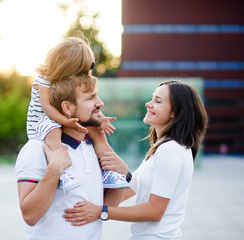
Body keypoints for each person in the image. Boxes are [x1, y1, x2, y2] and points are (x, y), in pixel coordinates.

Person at [63, 80, 208, 240]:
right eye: (152, 98)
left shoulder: (170, 150)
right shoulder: (163, 147)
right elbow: (127, 189)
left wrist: (101, 211)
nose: (148, 104)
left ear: (175, 112)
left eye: (157, 101)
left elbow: (154, 212)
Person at [16, 74, 126, 239]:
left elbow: (106, 205)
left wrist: (123, 174)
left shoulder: (93, 147)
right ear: (67, 108)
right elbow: (30, 216)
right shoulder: (37, 148)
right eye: (91, 98)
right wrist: (55, 169)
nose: (100, 103)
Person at [26, 36, 129, 191]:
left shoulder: (71, 82)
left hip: (61, 115)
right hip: (42, 120)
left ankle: (108, 172)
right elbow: (47, 107)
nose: (88, 71)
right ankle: (62, 171)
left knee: (96, 130)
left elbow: (86, 105)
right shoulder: (44, 79)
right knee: (53, 130)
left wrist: (100, 120)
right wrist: (66, 122)